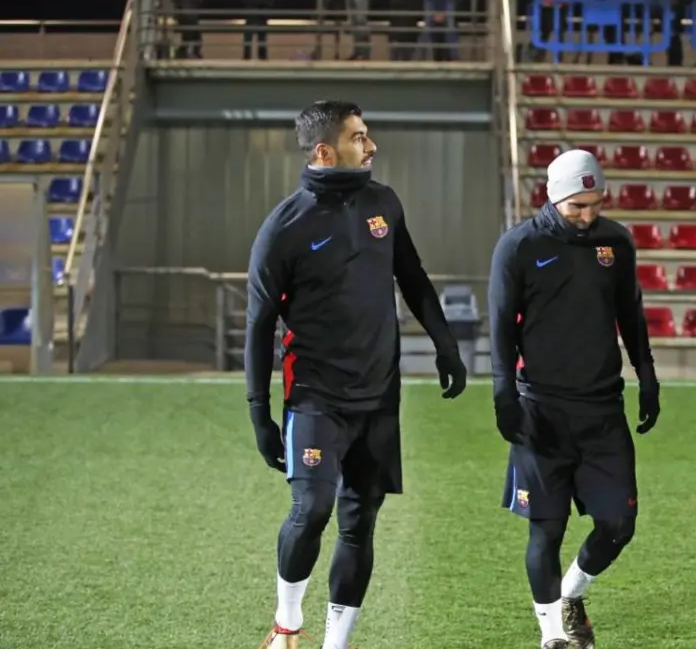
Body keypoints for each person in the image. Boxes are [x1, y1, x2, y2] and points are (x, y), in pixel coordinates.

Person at [245, 100, 469, 649]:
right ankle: (287, 625)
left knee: (359, 520)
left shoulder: (383, 203)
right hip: (315, 395)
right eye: (359, 137)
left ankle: (336, 643)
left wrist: (445, 345)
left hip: (379, 395)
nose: (371, 146)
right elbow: (259, 324)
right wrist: (259, 413)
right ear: (325, 151)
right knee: (311, 508)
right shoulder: (284, 227)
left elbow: (412, 276)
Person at [487, 149, 661, 649]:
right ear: (553, 198)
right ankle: (551, 638)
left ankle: (571, 593)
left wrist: (647, 376)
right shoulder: (518, 247)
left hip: (602, 410)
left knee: (619, 523)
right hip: (540, 409)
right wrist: (503, 394)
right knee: (547, 530)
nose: (588, 215)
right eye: (577, 206)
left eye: (596, 204)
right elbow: (500, 329)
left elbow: (630, 314)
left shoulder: (615, 242)